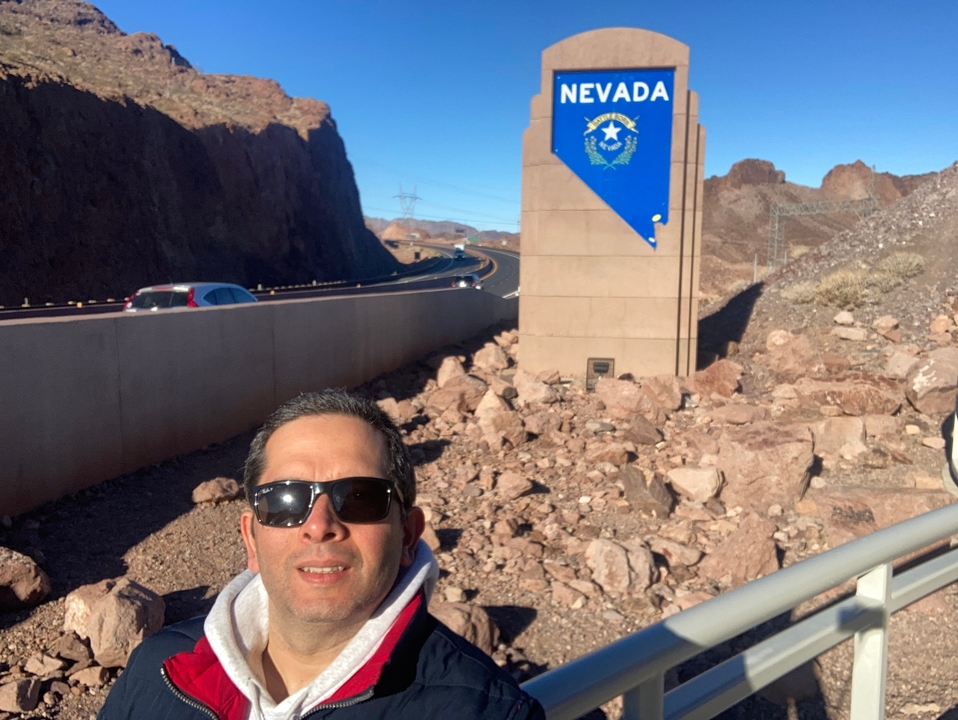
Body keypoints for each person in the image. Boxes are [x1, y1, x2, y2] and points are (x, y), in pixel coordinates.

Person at [98, 390, 545, 720]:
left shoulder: (489, 712)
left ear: (408, 536)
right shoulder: (158, 669)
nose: (319, 525)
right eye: (286, 500)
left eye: (359, 496)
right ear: (251, 540)